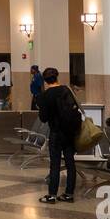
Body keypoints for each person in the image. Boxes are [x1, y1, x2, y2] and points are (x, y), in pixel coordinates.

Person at [34, 67, 83, 204]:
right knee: (70, 163)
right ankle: (69, 194)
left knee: (55, 164)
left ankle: (52, 195)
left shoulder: (45, 96)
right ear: (57, 77)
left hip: (56, 133)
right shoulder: (66, 90)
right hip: (69, 132)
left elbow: (43, 118)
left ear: (45, 81)